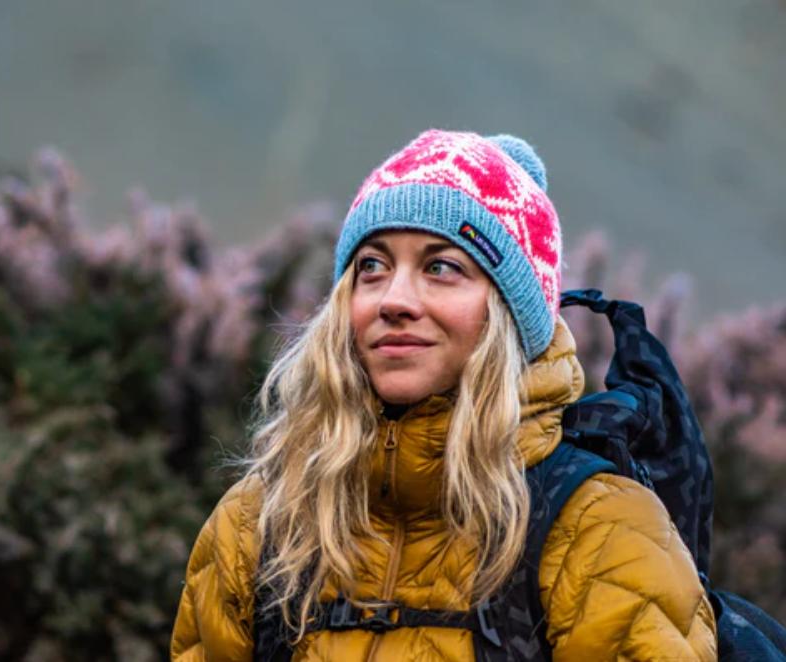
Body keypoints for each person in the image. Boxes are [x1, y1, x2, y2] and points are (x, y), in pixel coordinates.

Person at [170, 130, 717, 660]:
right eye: (372, 267)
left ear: (509, 313)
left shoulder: (599, 533)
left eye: (441, 267)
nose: (395, 299)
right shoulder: (258, 524)